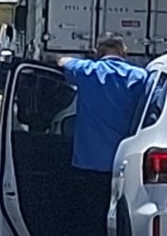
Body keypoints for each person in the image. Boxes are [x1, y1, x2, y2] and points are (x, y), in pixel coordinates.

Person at [57, 34, 148, 235]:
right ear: (124, 52)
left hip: (89, 164)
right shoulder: (140, 77)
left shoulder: (87, 71)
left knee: (89, 221)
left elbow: (63, 62)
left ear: (98, 52)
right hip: (126, 165)